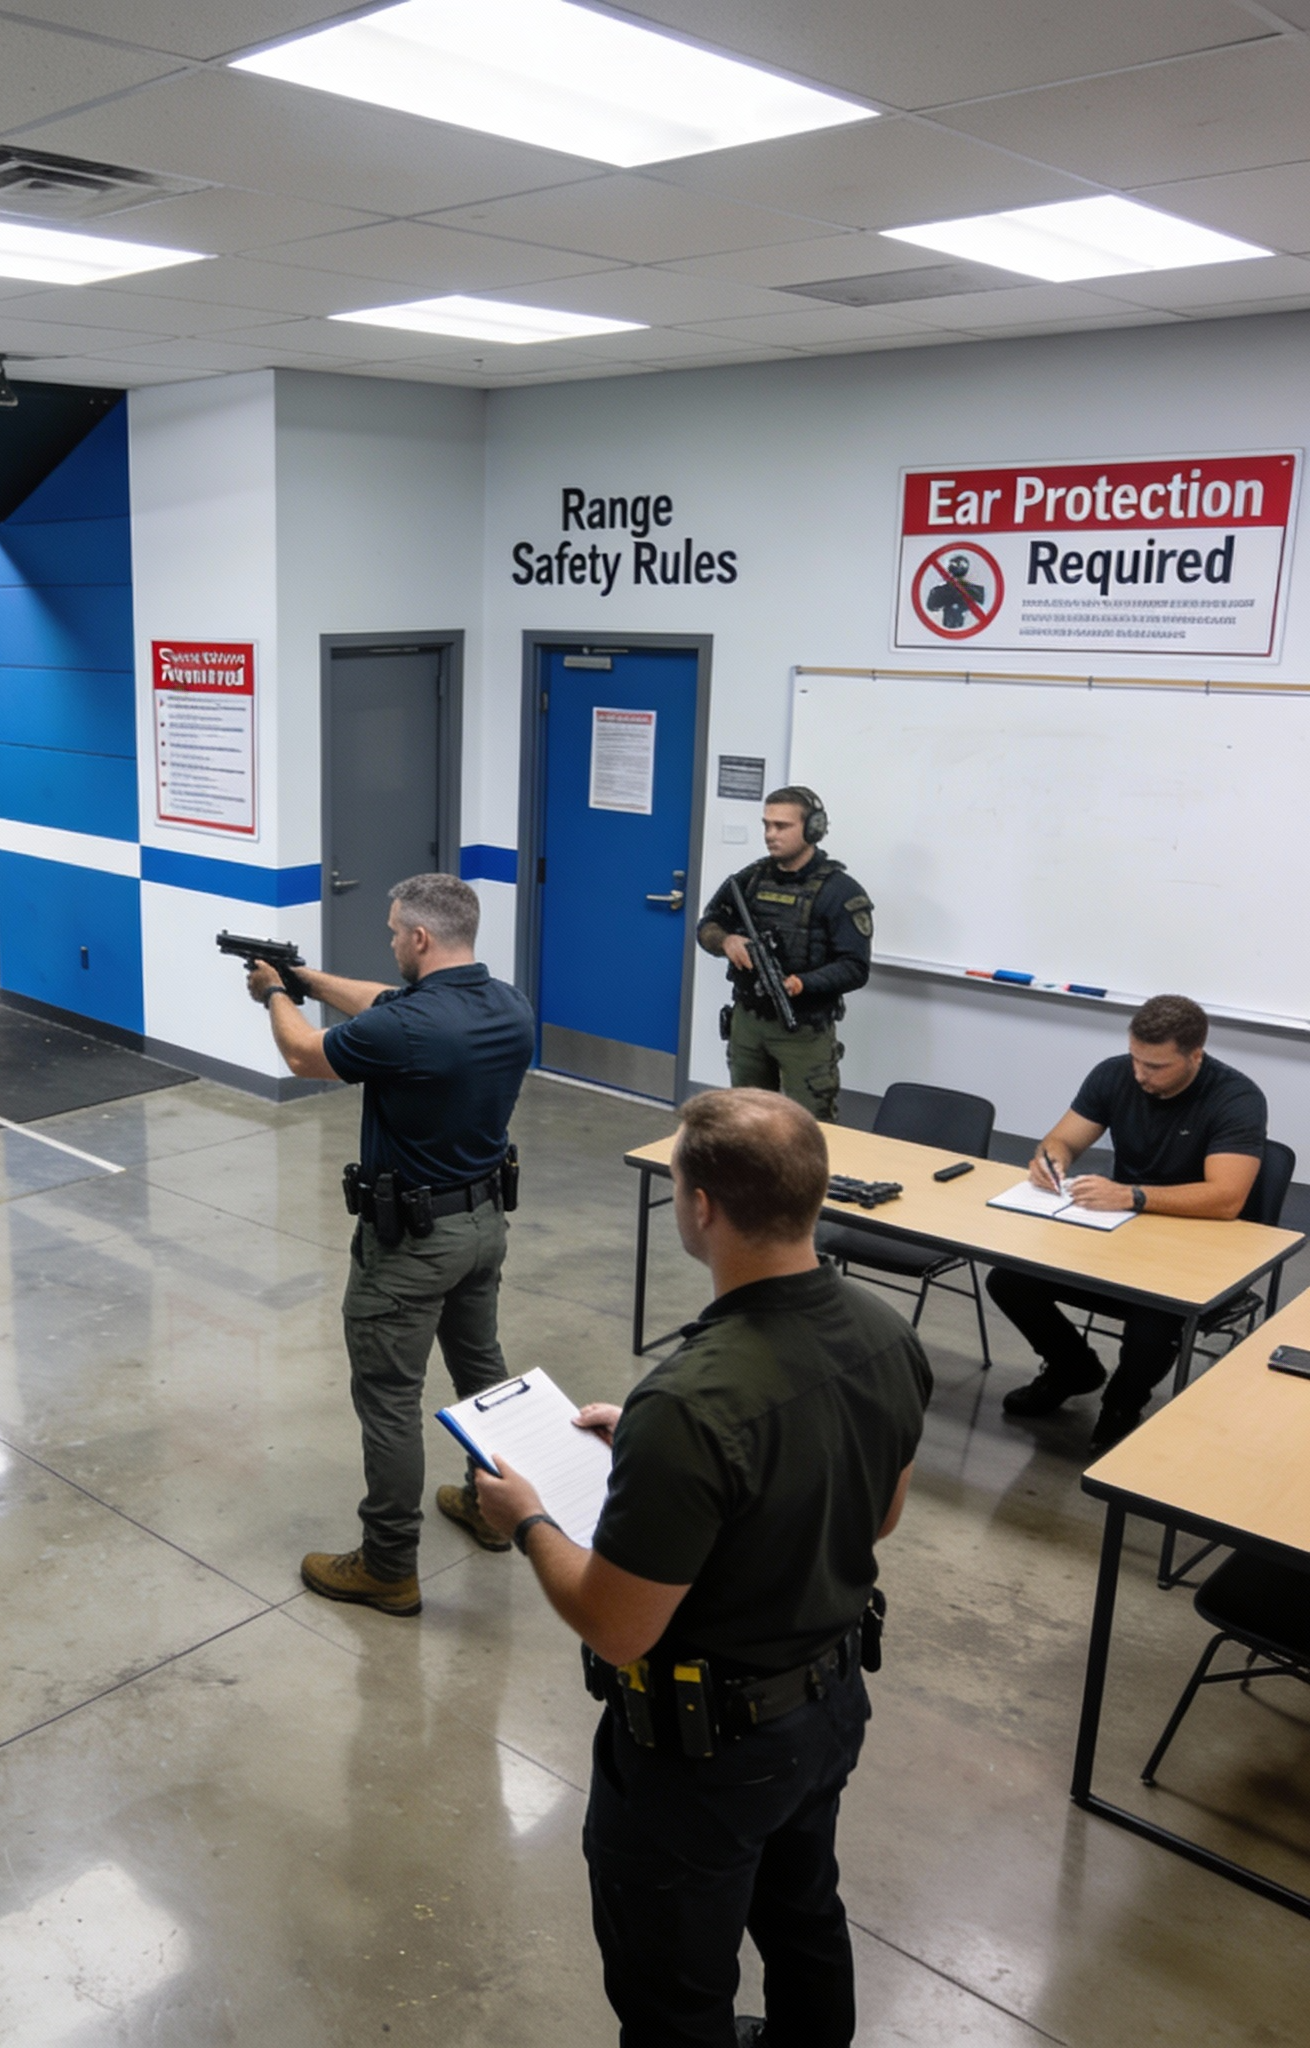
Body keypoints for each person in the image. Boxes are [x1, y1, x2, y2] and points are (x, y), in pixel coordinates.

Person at [475, 1089, 930, 2048]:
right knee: (804, 1912)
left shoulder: (690, 1400)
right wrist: (651, 1455)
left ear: (702, 1208)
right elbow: (877, 1517)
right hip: (829, 1703)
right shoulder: (888, 1334)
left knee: (675, 1990)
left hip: (704, 1753)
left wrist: (528, 1521)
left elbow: (619, 1625)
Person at [247, 873, 534, 1617]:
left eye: (392, 931)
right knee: (484, 1373)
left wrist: (276, 995)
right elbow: (381, 1002)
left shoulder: (408, 1029)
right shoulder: (507, 1004)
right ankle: (492, 1506)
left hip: (410, 1246)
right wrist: (306, 976)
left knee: (389, 1403)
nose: (390, 941)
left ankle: (387, 1565)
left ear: (419, 938)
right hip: (482, 1230)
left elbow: (306, 1055)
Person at [993, 993, 1267, 1451]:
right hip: (1119, 1234)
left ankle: (1123, 1402)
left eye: (1156, 1067)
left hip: (1196, 1249)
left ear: (1194, 1056)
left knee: (1153, 1324)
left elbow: (1226, 1199)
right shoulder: (1114, 1074)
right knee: (1009, 1280)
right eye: (1136, 1059)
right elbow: (1062, 1138)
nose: (1140, 1074)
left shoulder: (1236, 1098)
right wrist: (1051, 1160)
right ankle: (1073, 1369)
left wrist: (1132, 1196)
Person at [696, 786, 872, 1121]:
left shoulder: (840, 892)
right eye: (766, 825)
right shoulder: (748, 880)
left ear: (813, 829)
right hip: (748, 1022)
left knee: (810, 1127)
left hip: (803, 1031)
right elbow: (708, 924)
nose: (770, 835)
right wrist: (727, 942)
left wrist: (802, 983)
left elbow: (855, 967)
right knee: (745, 1121)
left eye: (781, 826)